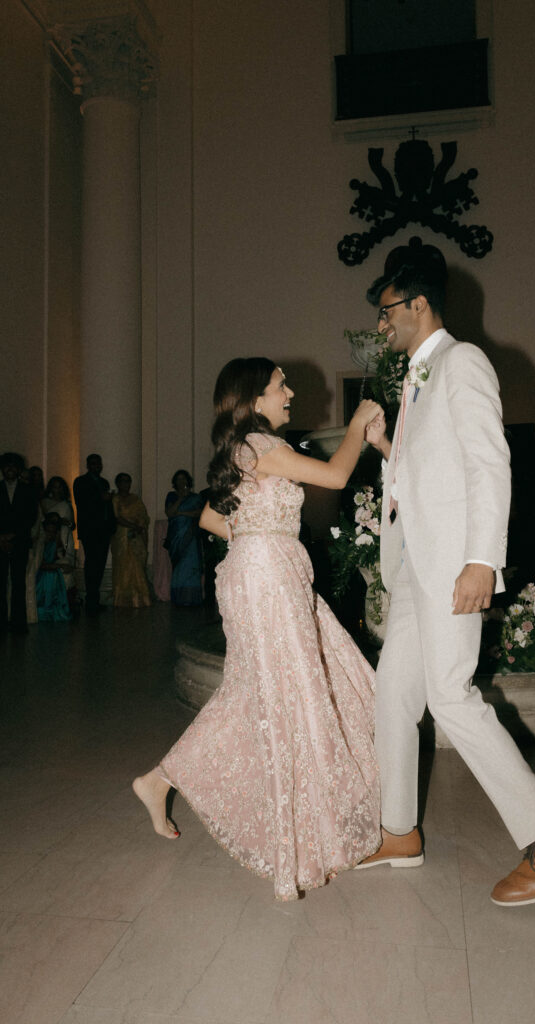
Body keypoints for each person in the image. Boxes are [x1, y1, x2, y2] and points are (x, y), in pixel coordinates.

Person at [357, 240, 535, 906]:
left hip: (452, 564)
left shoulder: (462, 362)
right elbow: (421, 472)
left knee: (451, 697)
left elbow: (489, 465)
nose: (381, 325)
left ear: (417, 304)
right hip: (414, 566)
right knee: (391, 698)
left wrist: (480, 561)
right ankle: (398, 830)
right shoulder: (414, 377)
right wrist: (385, 449)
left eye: (386, 312)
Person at [133, 358, 383, 900]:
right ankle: (162, 781)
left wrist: (252, 536)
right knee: (276, 693)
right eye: (279, 385)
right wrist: (360, 421)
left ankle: (159, 781)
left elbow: (205, 515)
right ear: (253, 399)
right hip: (266, 578)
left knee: (261, 693)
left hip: (267, 572)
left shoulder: (247, 448)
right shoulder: (258, 443)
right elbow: (338, 475)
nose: (289, 391)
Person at [0, 452, 38, 634]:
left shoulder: (28, 491)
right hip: (0, 542)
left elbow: (30, 517)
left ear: (18, 469)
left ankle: (18, 623)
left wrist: (12, 535)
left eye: (13, 466)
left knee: (18, 582)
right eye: (7, 466)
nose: (10, 469)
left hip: (20, 541)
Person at [73, 454, 116, 614]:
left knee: (100, 564)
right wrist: (101, 498)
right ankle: (91, 602)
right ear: (88, 465)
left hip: (104, 530)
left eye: (98, 464)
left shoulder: (104, 482)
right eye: (93, 464)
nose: (96, 466)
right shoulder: (80, 482)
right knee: (91, 564)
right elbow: (82, 502)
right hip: (90, 530)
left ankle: (95, 600)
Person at [111, 473, 152, 608]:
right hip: (122, 536)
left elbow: (144, 516)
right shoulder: (115, 499)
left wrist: (139, 526)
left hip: (136, 536)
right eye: (123, 481)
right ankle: (122, 598)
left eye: (128, 481)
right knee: (123, 566)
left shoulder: (135, 499)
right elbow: (116, 517)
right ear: (118, 484)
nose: (126, 484)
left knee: (137, 566)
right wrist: (132, 526)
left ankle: (139, 598)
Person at [164, 470, 203, 606]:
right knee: (179, 567)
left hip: (191, 536)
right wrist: (181, 498)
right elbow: (170, 513)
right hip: (176, 537)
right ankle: (179, 598)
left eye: (184, 479)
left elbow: (198, 513)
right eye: (178, 479)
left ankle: (192, 598)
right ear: (175, 482)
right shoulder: (171, 496)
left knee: (191, 565)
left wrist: (181, 512)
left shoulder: (196, 497)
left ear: (188, 481)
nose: (181, 482)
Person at [34, 511, 74, 621]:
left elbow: (57, 556)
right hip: (40, 572)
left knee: (55, 574)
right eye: (48, 532)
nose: (50, 535)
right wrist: (59, 567)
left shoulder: (53, 542)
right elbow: (40, 565)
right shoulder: (39, 543)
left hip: (50, 569)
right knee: (50, 576)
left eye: (53, 532)